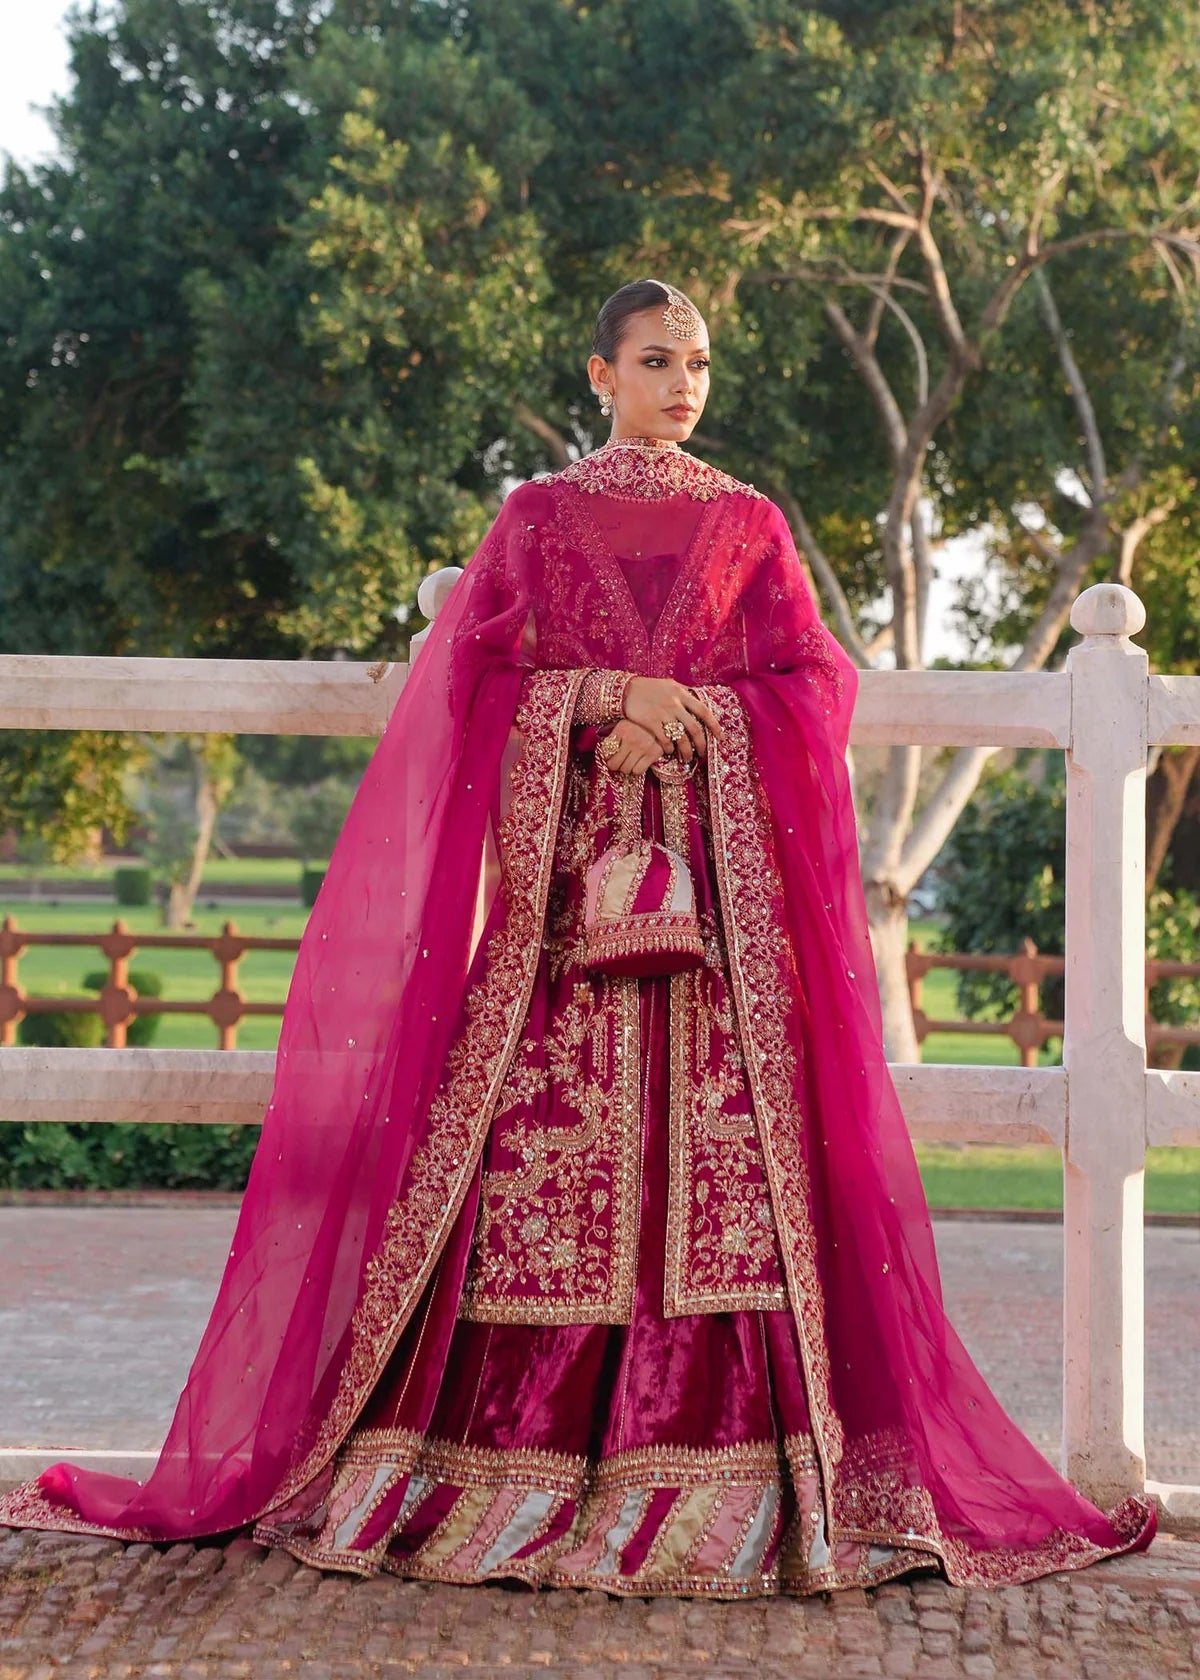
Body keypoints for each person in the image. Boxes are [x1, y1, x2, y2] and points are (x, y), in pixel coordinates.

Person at [0, 278, 1154, 1597]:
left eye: (699, 364)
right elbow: (470, 685)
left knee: (727, 1180)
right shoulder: (536, 521)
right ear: (600, 373)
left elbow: (812, 681)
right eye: (656, 361)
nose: (683, 386)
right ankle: (499, 1476)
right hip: (559, 937)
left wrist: (701, 718)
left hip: (714, 942)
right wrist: (605, 699)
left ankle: (727, 1496)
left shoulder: (748, 523)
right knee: (528, 1172)